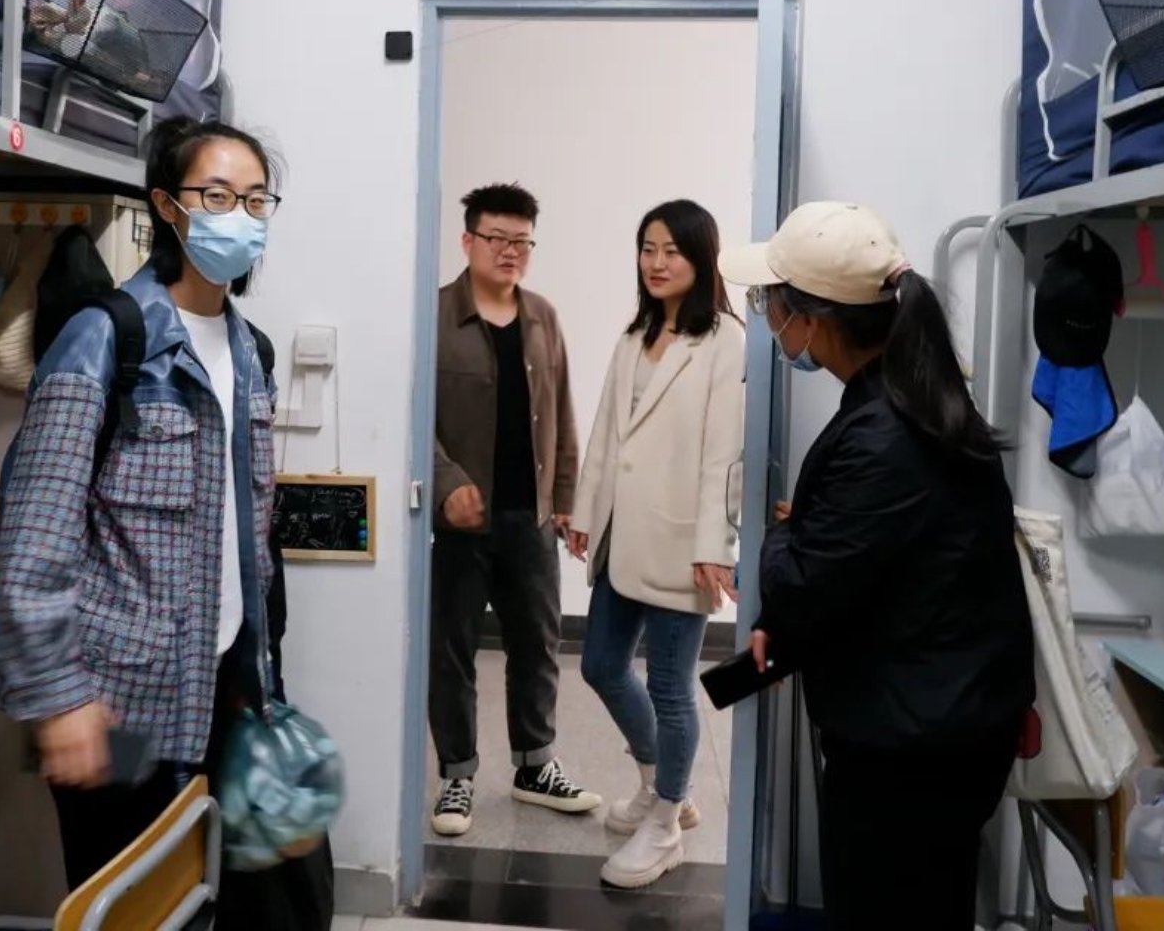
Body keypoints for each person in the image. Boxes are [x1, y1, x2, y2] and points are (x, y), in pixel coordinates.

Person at [0, 116, 332, 930]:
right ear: (168, 207)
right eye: (218, 196)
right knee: (136, 908)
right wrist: (61, 700)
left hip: (226, 687)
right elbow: (32, 541)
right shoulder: (105, 339)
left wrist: (265, 675)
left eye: (256, 200)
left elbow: (247, 541)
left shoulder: (251, 354)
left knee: (250, 902)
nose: (240, 216)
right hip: (119, 706)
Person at [719, 201, 1034, 931]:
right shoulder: (919, 399)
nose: (769, 319)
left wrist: (784, 536)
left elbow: (802, 591)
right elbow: (879, 567)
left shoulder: (882, 436)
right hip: (950, 722)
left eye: (770, 302)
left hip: (912, 748)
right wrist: (812, 540)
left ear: (814, 321)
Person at [567, 199, 744, 890]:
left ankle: (667, 822)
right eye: (648, 248)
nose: (657, 262)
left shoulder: (724, 340)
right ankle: (659, 781)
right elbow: (608, 432)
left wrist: (715, 544)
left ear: (701, 257)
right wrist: (587, 510)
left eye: (672, 250)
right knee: (601, 665)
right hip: (622, 534)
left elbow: (723, 456)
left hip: (681, 541)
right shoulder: (634, 333)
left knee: (671, 686)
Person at [430, 182, 600, 836]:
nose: (510, 252)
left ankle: (535, 766)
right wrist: (447, 483)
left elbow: (563, 415)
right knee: (453, 649)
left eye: (522, 242)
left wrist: (567, 502)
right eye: (497, 239)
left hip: (530, 518)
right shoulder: (435, 316)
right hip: (460, 521)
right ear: (468, 240)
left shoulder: (542, 317)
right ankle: (457, 776)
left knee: (537, 643)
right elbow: (414, 415)